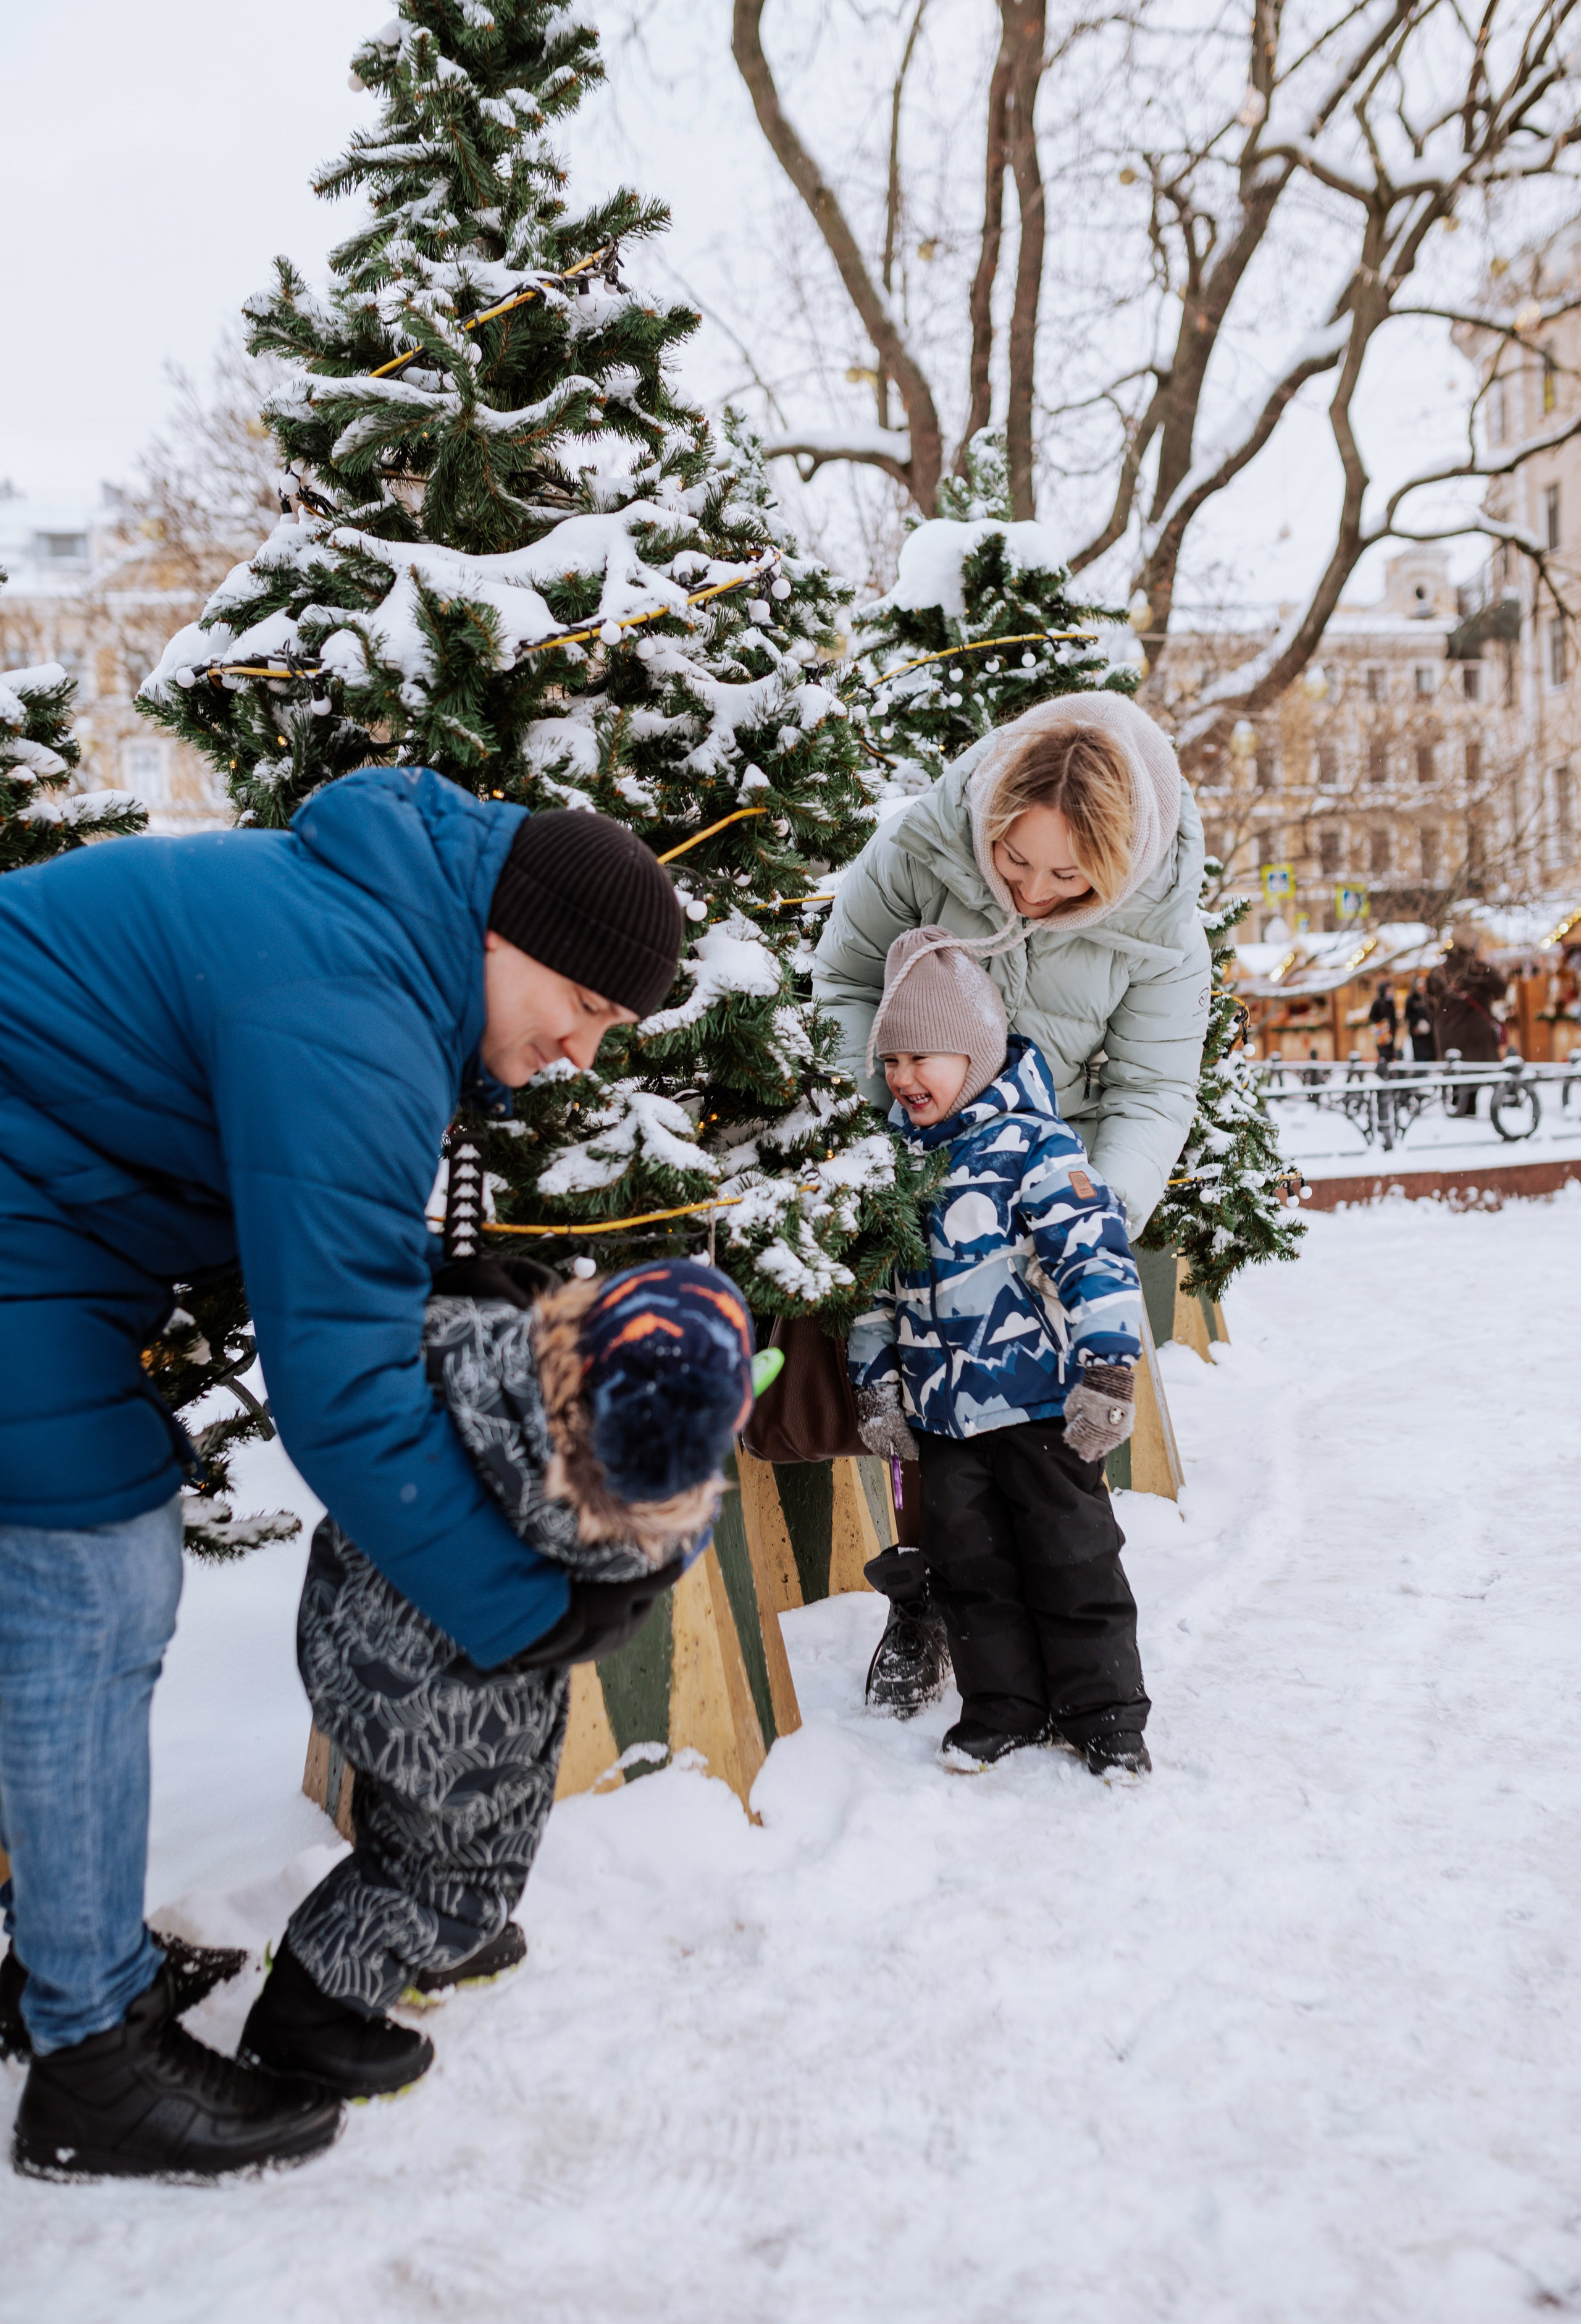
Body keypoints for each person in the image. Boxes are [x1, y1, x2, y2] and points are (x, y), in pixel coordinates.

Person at [0, 767, 684, 2182]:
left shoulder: (372, 949)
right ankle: (89, 2055)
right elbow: (344, 1399)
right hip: (26, 1220)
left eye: (609, 1029)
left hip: (41, 1207)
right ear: (506, 935)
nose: (581, 1051)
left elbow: (316, 1220)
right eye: (584, 1006)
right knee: (90, 1579)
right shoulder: (355, 1002)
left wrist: (432, 1282)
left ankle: (59, 1961)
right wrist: (529, 1612)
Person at [233, 1256, 757, 2102]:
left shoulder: (478, 1345)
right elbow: (648, 1564)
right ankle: (310, 2011)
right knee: (453, 1871)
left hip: (353, 1635)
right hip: (454, 1708)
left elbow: (445, 1308)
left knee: (408, 1812)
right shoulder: (605, 1510)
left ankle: (418, 1946)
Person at [814, 691, 1209, 1704]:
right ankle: (925, 1598)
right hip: (925, 1160)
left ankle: (1074, 1639)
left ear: (1120, 864)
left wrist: (1087, 1216)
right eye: (1014, 860)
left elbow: (1153, 1089)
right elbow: (845, 978)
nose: (1032, 892)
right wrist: (897, 1126)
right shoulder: (922, 846)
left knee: (1041, 1426)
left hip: (1048, 1178)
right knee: (930, 1403)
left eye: (1069, 877)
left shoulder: (1163, 924)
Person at [847, 928, 1149, 1777]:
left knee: (1073, 1558)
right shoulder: (894, 1166)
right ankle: (1003, 1707)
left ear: (974, 1057)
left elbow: (1096, 1256)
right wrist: (875, 1387)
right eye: (892, 1058)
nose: (903, 1076)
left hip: (1041, 1406)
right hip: (945, 1419)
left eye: (921, 1057)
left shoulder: (1036, 1146)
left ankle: (1104, 1714)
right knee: (971, 1571)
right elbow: (873, 1291)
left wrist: (1108, 1368)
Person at [1428, 929, 1508, 1115]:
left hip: (1447, 1033)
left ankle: (1458, 1107)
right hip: (1474, 1033)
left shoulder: (1437, 972)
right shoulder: (1477, 969)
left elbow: (1430, 1006)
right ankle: (1467, 1109)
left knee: (1457, 1071)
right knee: (1473, 1073)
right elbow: (1501, 989)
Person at [1406, 978, 1436, 1063]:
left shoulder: (1429, 998)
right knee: (1421, 1057)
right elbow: (1408, 1015)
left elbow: (1433, 1013)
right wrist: (1416, 1025)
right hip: (1417, 1034)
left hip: (1429, 1034)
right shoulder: (1411, 1000)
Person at [1367, 982, 1398, 1063]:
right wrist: (1382, 1022)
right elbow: (1371, 1017)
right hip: (1381, 1033)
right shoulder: (1378, 1002)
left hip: (1390, 1032)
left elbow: (1393, 1017)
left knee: (1391, 1054)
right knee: (1383, 1054)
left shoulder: (1391, 1002)